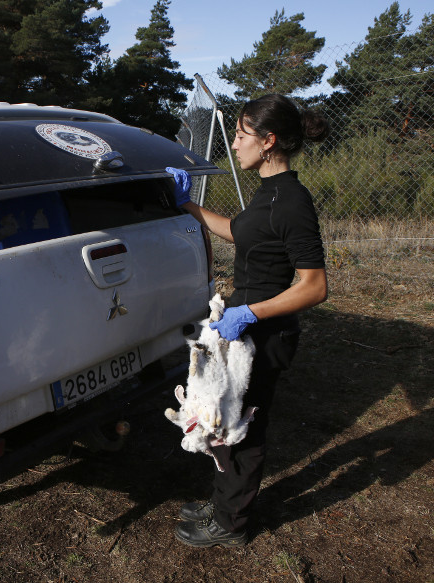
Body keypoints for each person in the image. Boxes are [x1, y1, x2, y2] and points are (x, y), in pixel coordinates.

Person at [167, 94, 330, 548]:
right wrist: (187, 206)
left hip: (265, 331)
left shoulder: (293, 201)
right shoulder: (268, 190)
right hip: (245, 326)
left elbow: (314, 286)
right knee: (225, 419)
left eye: (241, 135)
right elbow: (238, 231)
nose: (234, 144)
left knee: (244, 425)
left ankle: (231, 523)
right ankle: (225, 501)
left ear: (268, 140)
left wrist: (249, 313)